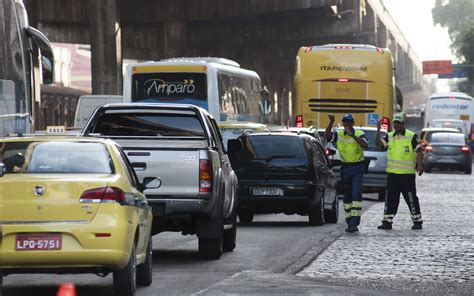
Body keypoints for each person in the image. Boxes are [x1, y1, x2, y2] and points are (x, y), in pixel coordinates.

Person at [375, 113, 424, 230]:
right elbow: (379, 144)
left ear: (403, 124)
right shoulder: (389, 136)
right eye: (395, 123)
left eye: (398, 123)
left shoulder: (411, 136)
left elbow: (419, 150)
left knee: (411, 198)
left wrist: (420, 165)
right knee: (390, 198)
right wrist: (378, 130)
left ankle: (417, 220)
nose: (396, 125)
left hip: (407, 175)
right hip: (393, 174)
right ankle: (387, 221)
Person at [325, 114, 368, 233]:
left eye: (349, 122)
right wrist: (331, 122)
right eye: (345, 122)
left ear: (353, 123)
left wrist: (353, 135)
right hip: (345, 168)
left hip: (357, 167)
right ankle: (349, 222)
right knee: (347, 196)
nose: (347, 124)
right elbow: (327, 136)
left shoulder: (359, 133)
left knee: (356, 194)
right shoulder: (339, 134)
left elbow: (364, 145)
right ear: (343, 123)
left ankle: (354, 223)